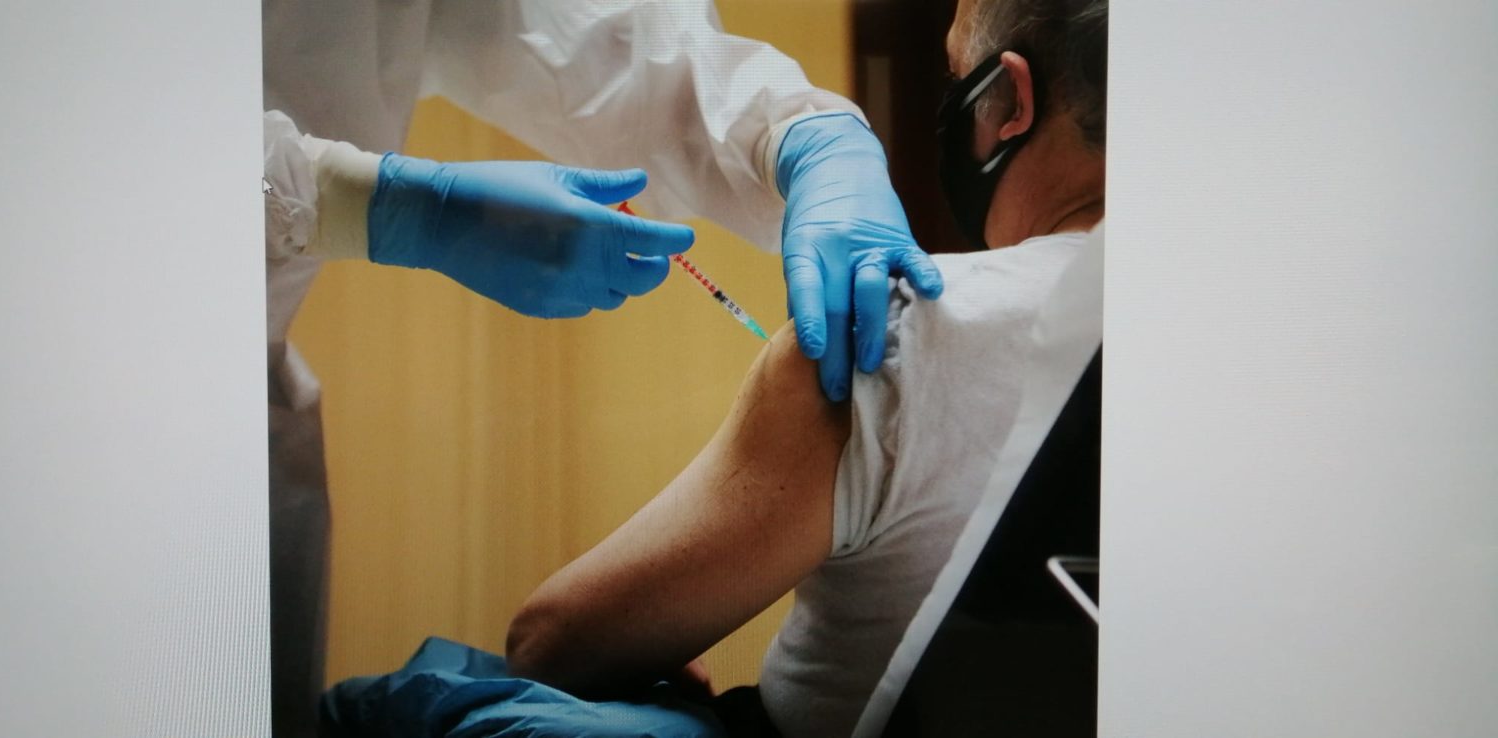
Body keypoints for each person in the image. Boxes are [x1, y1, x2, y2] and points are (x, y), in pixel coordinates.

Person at [260, 2, 943, 735]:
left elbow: (605, 41)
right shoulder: (934, 336)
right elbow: (154, 142)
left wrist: (803, 131)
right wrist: (359, 200)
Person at [503, 0, 1108, 735]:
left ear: (1008, 101)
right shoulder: (1236, 347)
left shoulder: (895, 333)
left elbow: (551, 646)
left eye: (959, 79)